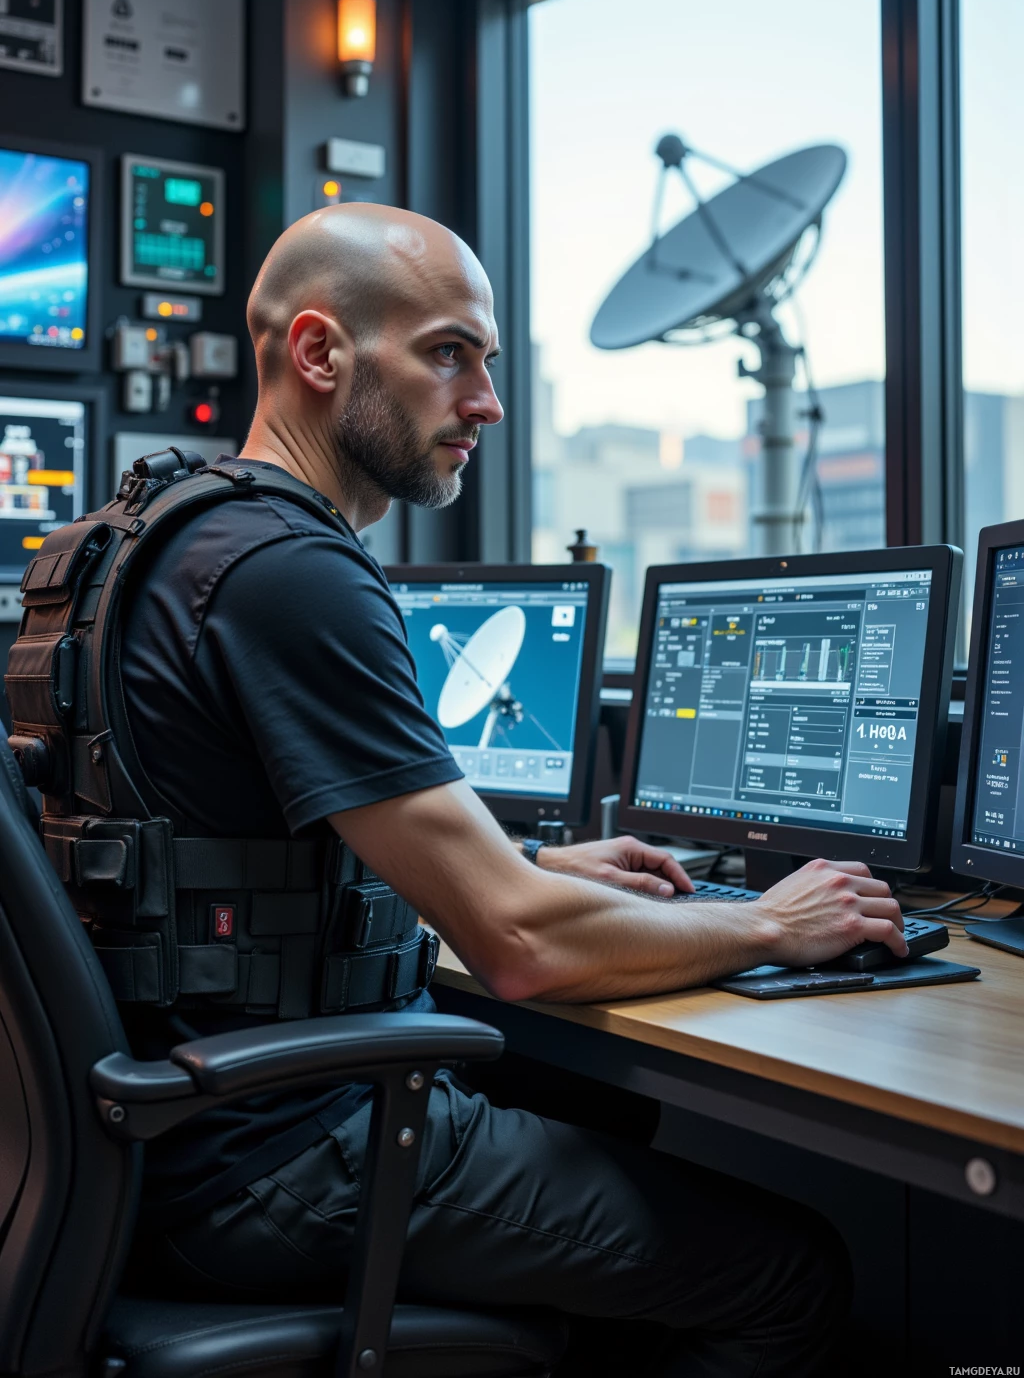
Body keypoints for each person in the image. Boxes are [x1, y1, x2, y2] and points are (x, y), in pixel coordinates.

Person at [121, 203, 906, 1376]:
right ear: (321, 354)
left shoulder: (160, 541)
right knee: (792, 1273)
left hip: (147, 1131)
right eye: (448, 354)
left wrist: (525, 867)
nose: (485, 402)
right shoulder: (293, 576)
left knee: (607, 1107)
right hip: (268, 1159)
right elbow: (522, 957)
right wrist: (766, 923)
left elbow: (225, 857)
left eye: (486, 363)